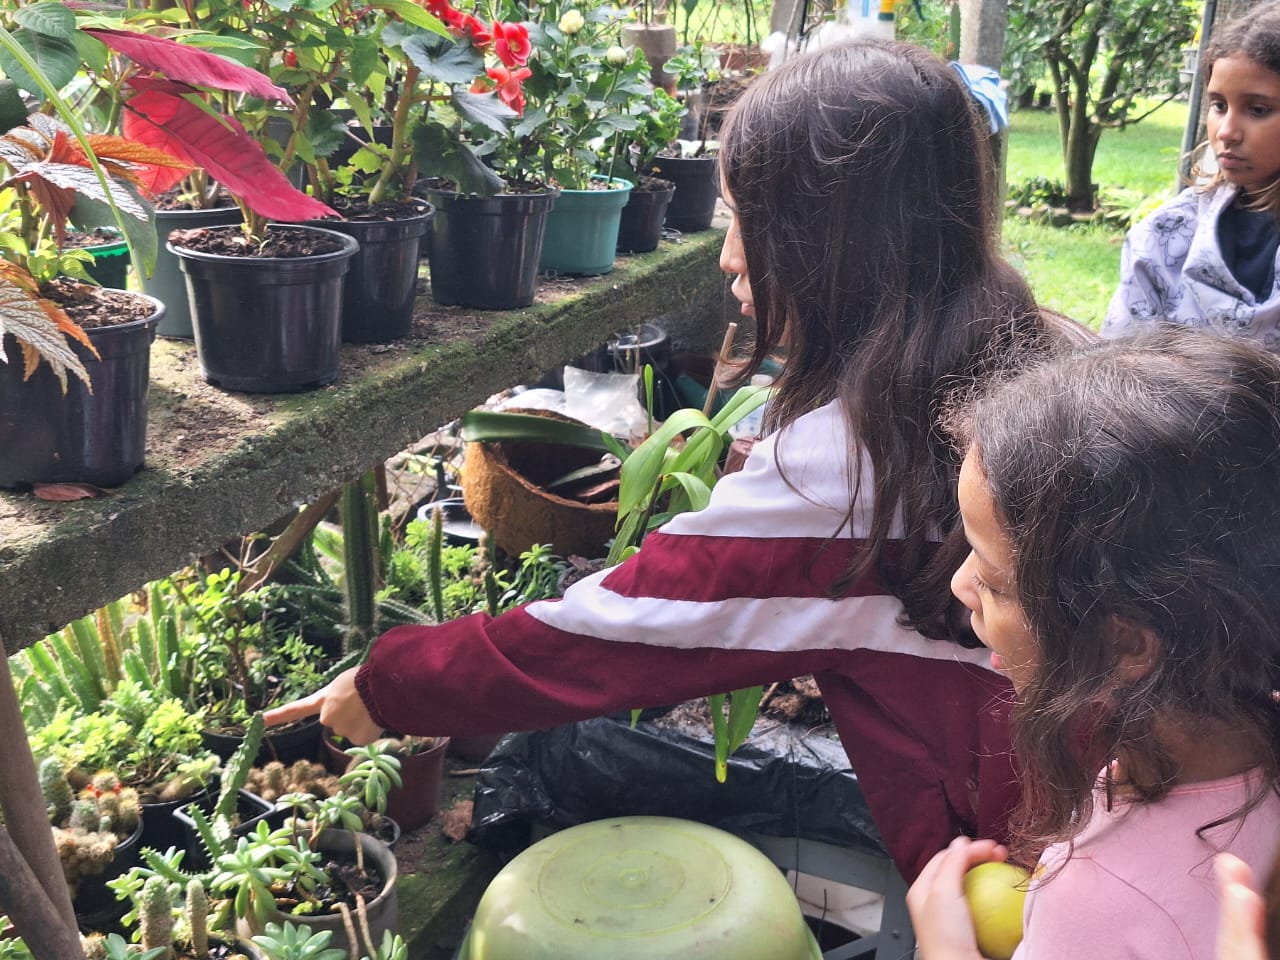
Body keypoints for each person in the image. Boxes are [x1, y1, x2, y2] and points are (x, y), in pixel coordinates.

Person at [265, 40, 1084, 881]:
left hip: (1034, 868)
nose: (729, 257)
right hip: (1097, 818)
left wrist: (388, 685)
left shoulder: (844, 471)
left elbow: (605, 636)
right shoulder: (1044, 356)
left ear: (835, 241)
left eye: (746, 222)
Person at [906, 328, 1280, 959]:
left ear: (1125, 645)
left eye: (994, 581)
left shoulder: (1097, 898)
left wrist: (945, 949)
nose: (960, 584)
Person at [1103, 3, 1280, 347]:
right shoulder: (1161, 240)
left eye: (1258, 109)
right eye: (1219, 105)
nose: (1226, 131)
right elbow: (1117, 365)